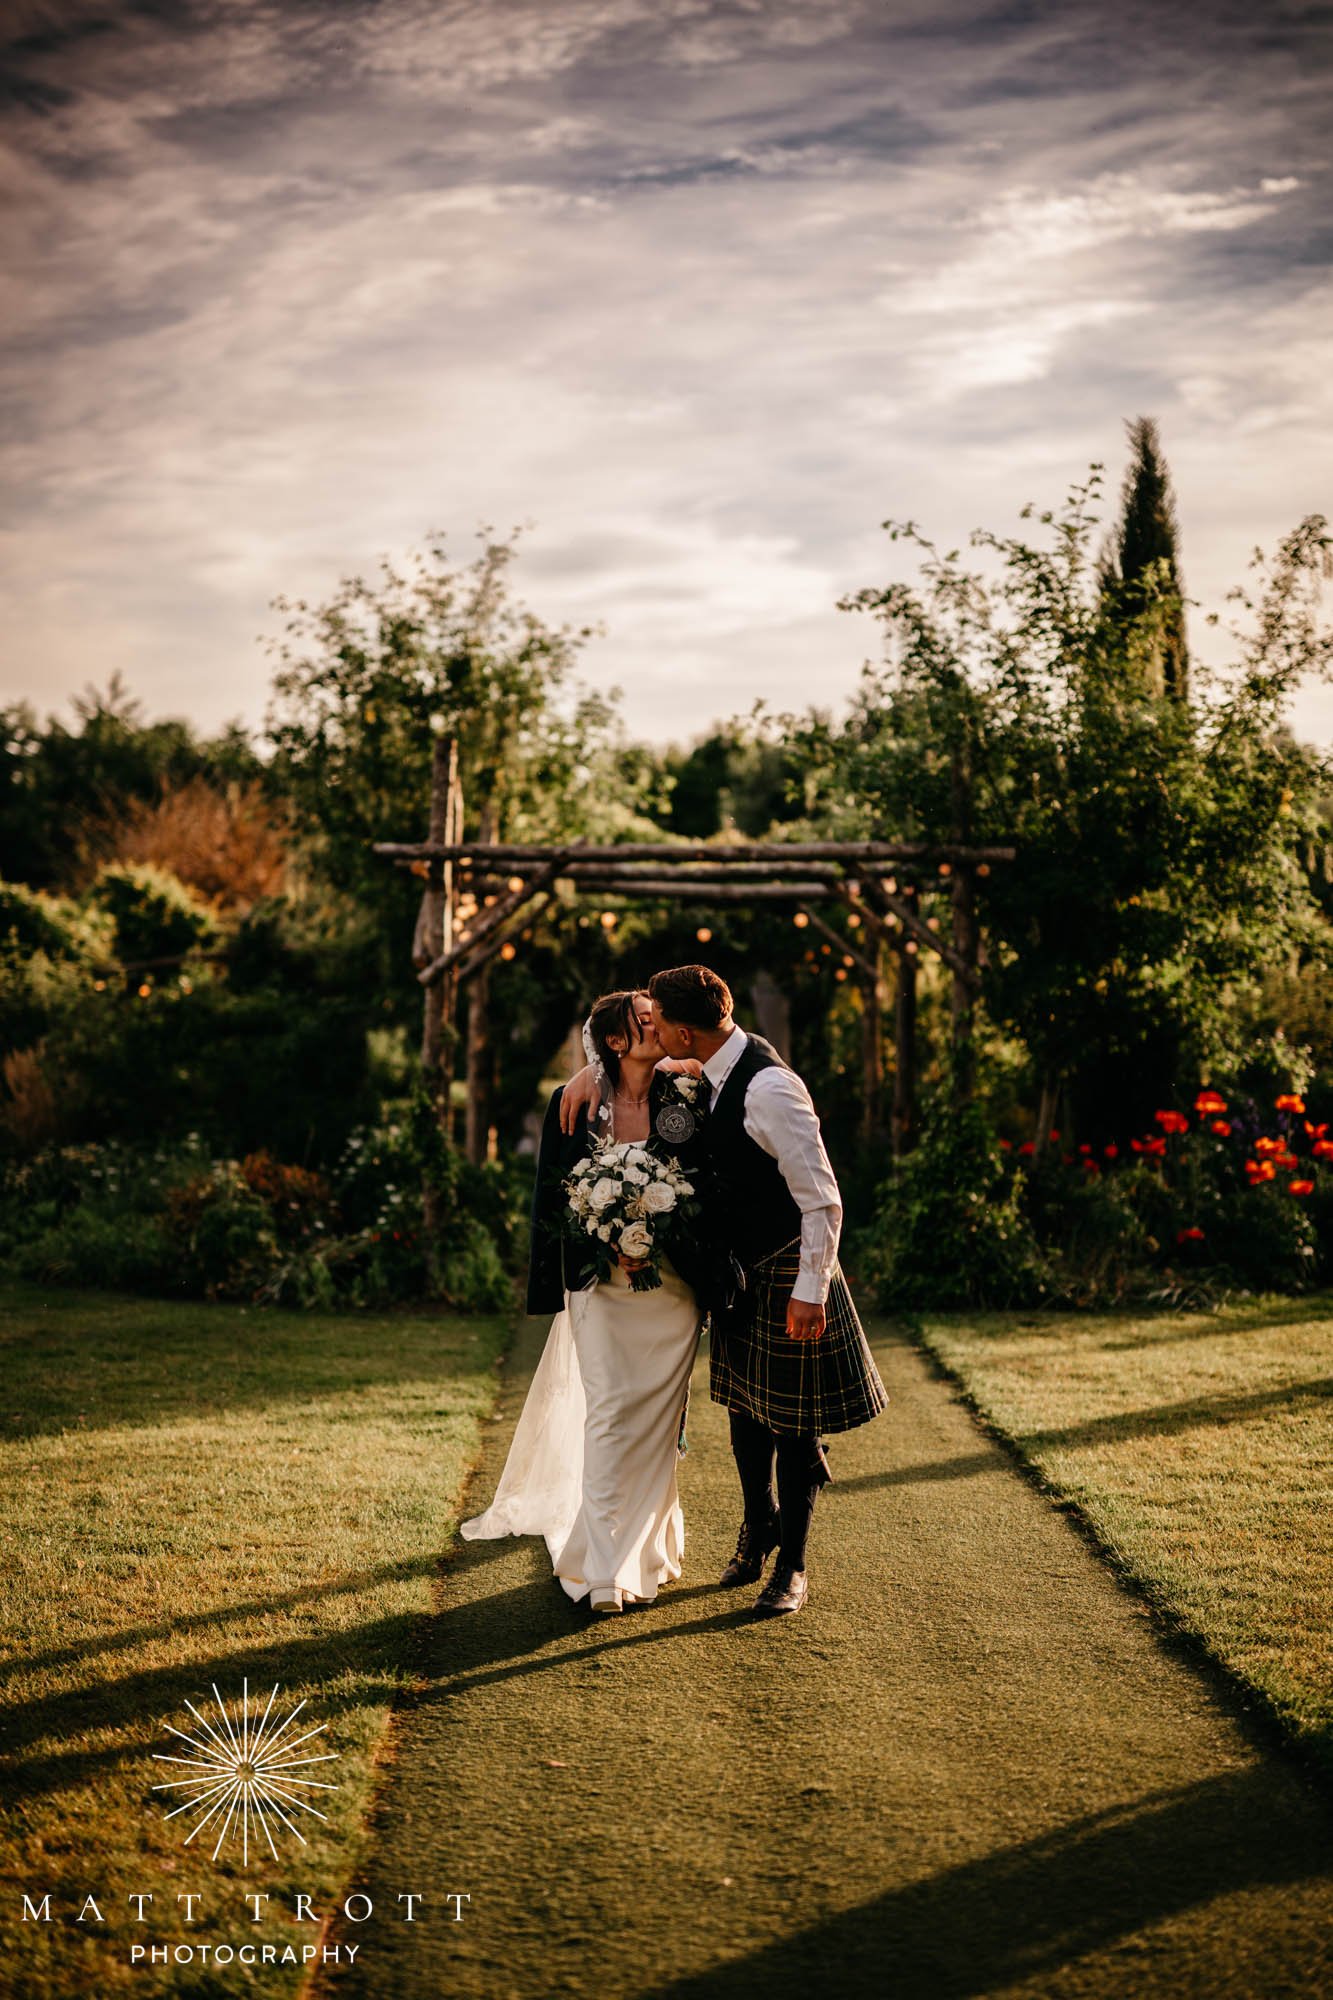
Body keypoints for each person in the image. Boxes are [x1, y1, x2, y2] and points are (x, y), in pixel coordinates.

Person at [560, 964, 887, 1618]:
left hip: (790, 1270)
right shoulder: (706, 1067)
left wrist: (810, 1290)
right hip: (738, 1274)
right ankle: (756, 1525)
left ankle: (792, 1566)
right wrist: (590, 1070)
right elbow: (644, 1076)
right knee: (744, 1413)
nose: (653, 1030)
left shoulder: (768, 1088)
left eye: (659, 1022)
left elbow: (822, 1201)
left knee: (794, 1428)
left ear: (683, 1030)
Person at [460, 990, 709, 1615]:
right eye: (648, 1022)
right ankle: (601, 1570)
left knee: (655, 1425)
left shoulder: (686, 1093)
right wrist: (600, 1243)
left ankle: (644, 1553)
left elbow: (701, 1182)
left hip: (672, 1290)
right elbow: (553, 1195)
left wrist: (660, 1237)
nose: (665, 1028)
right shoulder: (575, 1105)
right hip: (599, 1287)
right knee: (608, 1414)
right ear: (617, 1041)